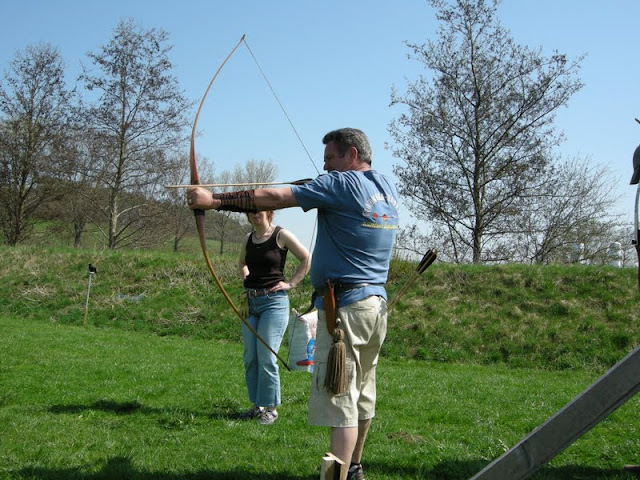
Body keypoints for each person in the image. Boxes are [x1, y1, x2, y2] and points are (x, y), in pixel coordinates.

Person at [188, 128, 399, 480]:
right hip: (375, 307)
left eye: (330, 158)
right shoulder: (384, 186)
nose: (325, 166)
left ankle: (338, 478)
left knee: (340, 400)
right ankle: (354, 469)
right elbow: (310, 187)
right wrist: (315, 183)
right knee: (362, 394)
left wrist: (214, 201)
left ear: (351, 154)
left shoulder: (341, 184)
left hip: (345, 310)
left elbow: (275, 197)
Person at [238, 210, 310, 425]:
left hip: (274, 303)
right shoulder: (248, 238)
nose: (254, 214)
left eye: (259, 210)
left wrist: (291, 284)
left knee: (267, 355)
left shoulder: (281, 235)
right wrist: (246, 278)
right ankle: (257, 405)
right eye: (250, 211)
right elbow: (242, 263)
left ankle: (271, 408)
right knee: (250, 357)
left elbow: (306, 258)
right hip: (251, 303)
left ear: (269, 212)